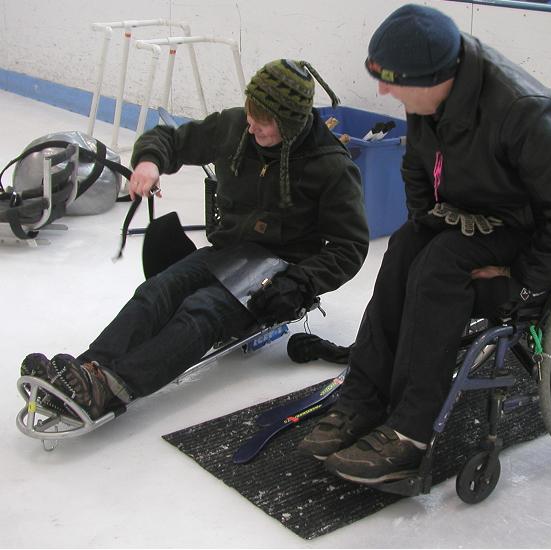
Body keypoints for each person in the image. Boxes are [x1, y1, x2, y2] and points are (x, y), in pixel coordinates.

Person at [298, 4, 551, 485]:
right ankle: (362, 400)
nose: (382, 90)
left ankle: (411, 432)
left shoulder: (522, 112)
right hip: (467, 216)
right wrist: (426, 220)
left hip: (526, 231)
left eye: (391, 81)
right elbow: (417, 167)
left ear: (433, 78)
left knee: (439, 265)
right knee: (404, 248)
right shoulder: (430, 97)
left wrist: (525, 282)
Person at [20, 59, 369, 421]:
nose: (252, 127)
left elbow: (350, 247)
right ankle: (86, 371)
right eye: (251, 114)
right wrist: (150, 162)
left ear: (292, 124)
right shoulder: (234, 126)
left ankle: (110, 386)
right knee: (156, 292)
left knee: (201, 311)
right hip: (228, 252)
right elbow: (169, 139)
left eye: (263, 122)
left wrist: (301, 283)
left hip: (277, 270)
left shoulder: (331, 167)